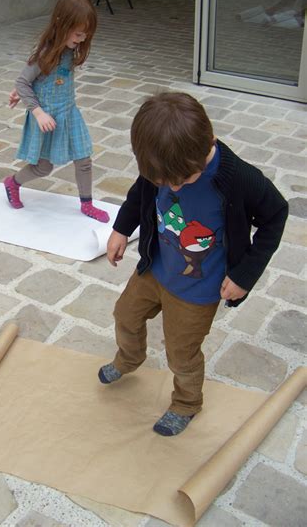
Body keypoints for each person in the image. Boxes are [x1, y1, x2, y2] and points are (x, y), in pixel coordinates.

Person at [99, 92, 288, 436]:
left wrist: (244, 274)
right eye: (163, 182)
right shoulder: (163, 166)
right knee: (124, 315)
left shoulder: (239, 178)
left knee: (181, 354)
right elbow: (141, 191)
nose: (171, 186)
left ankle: (186, 403)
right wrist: (121, 229)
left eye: (182, 180)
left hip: (198, 290)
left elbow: (277, 214)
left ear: (209, 143)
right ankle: (129, 358)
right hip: (156, 269)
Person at [4, 0, 109, 223]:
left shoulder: (71, 50)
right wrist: (37, 110)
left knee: (84, 158)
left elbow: (29, 84)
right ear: (62, 25)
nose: (82, 39)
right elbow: (23, 81)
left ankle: (87, 204)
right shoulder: (45, 54)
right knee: (43, 168)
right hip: (47, 118)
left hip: (69, 113)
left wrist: (24, 92)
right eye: (78, 34)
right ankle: (12, 182)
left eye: (85, 35)